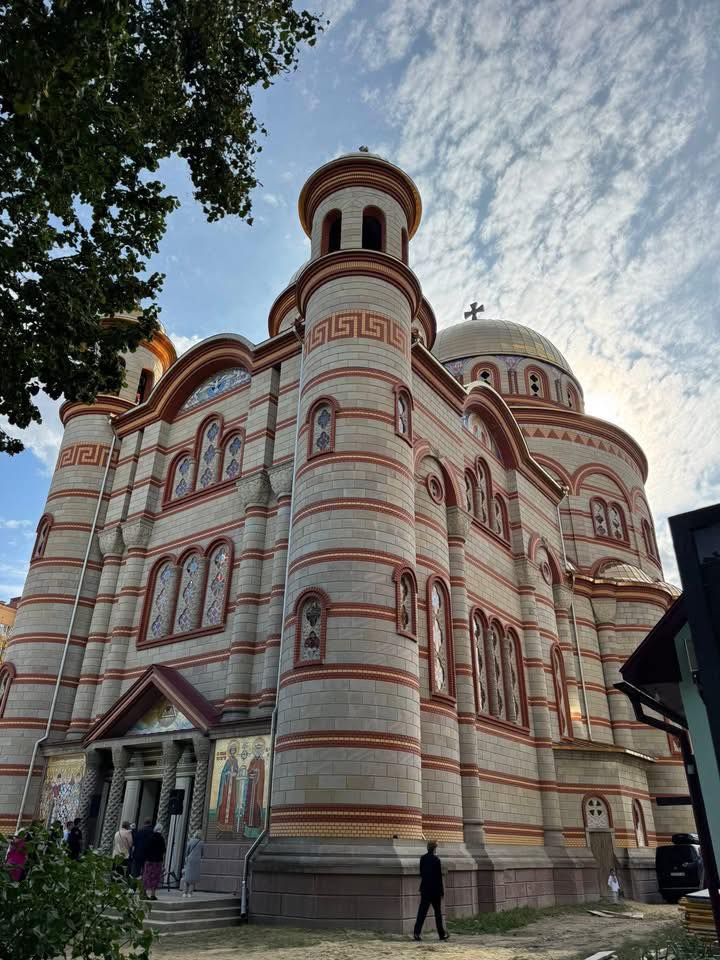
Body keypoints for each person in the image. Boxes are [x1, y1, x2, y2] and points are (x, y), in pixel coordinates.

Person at [413, 840, 449, 942]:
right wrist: (441, 891)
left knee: (422, 912)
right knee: (438, 913)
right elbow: (438, 877)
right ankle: (441, 934)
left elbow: (421, 873)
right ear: (434, 848)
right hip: (435, 890)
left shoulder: (423, 858)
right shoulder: (436, 859)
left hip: (425, 889)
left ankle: (416, 933)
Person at [142, 825, 166, 901]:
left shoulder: (150, 837)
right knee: (155, 877)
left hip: (149, 860)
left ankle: (144, 893)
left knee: (147, 875)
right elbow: (163, 849)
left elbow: (145, 848)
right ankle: (153, 894)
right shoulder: (161, 839)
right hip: (157, 861)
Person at [180, 830, 204, 897]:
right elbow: (202, 853)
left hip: (190, 859)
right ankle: (190, 893)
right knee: (193, 878)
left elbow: (187, 851)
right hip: (197, 861)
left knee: (187, 877)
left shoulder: (190, 841)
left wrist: (186, 857)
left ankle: (184, 893)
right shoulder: (201, 843)